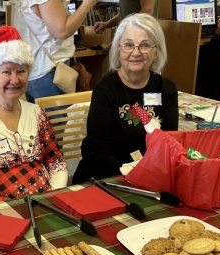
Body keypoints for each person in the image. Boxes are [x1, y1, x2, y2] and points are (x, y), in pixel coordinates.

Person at [0, 26, 68, 207]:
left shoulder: (37, 113)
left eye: (21, 71)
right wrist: (11, 207)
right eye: (6, 71)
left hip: (46, 205)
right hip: (1, 212)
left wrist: (52, 197)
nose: (15, 80)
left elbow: (56, 161)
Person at [72, 13, 178, 184]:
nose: (135, 52)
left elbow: (169, 142)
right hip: (105, 175)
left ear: (156, 51)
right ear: (118, 49)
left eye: (145, 45)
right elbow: (98, 149)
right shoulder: (105, 89)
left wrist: (148, 173)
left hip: (150, 174)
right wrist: (129, 174)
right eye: (128, 45)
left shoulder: (166, 89)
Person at [11, 0, 99, 102]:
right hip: (49, 70)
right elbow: (62, 31)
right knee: (59, 117)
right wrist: (87, 4)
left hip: (33, 68)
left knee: (38, 116)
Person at [93, 0, 158, 49]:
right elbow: (125, 14)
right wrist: (107, 24)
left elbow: (147, 12)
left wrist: (122, 36)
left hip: (141, 39)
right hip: (127, 40)